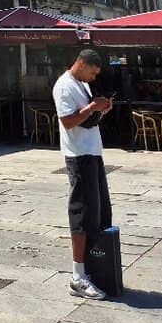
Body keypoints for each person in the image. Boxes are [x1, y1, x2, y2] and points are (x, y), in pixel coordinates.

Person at [53, 48, 114, 300]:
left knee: (97, 213)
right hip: (78, 156)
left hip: (93, 153)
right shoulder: (64, 86)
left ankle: (92, 268)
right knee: (81, 212)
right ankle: (77, 277)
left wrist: (101, 109)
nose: (93, 77)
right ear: (81, 64)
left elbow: (85, 120)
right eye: (92, 72)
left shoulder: (82, 85)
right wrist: (92, 106)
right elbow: (67, 121)